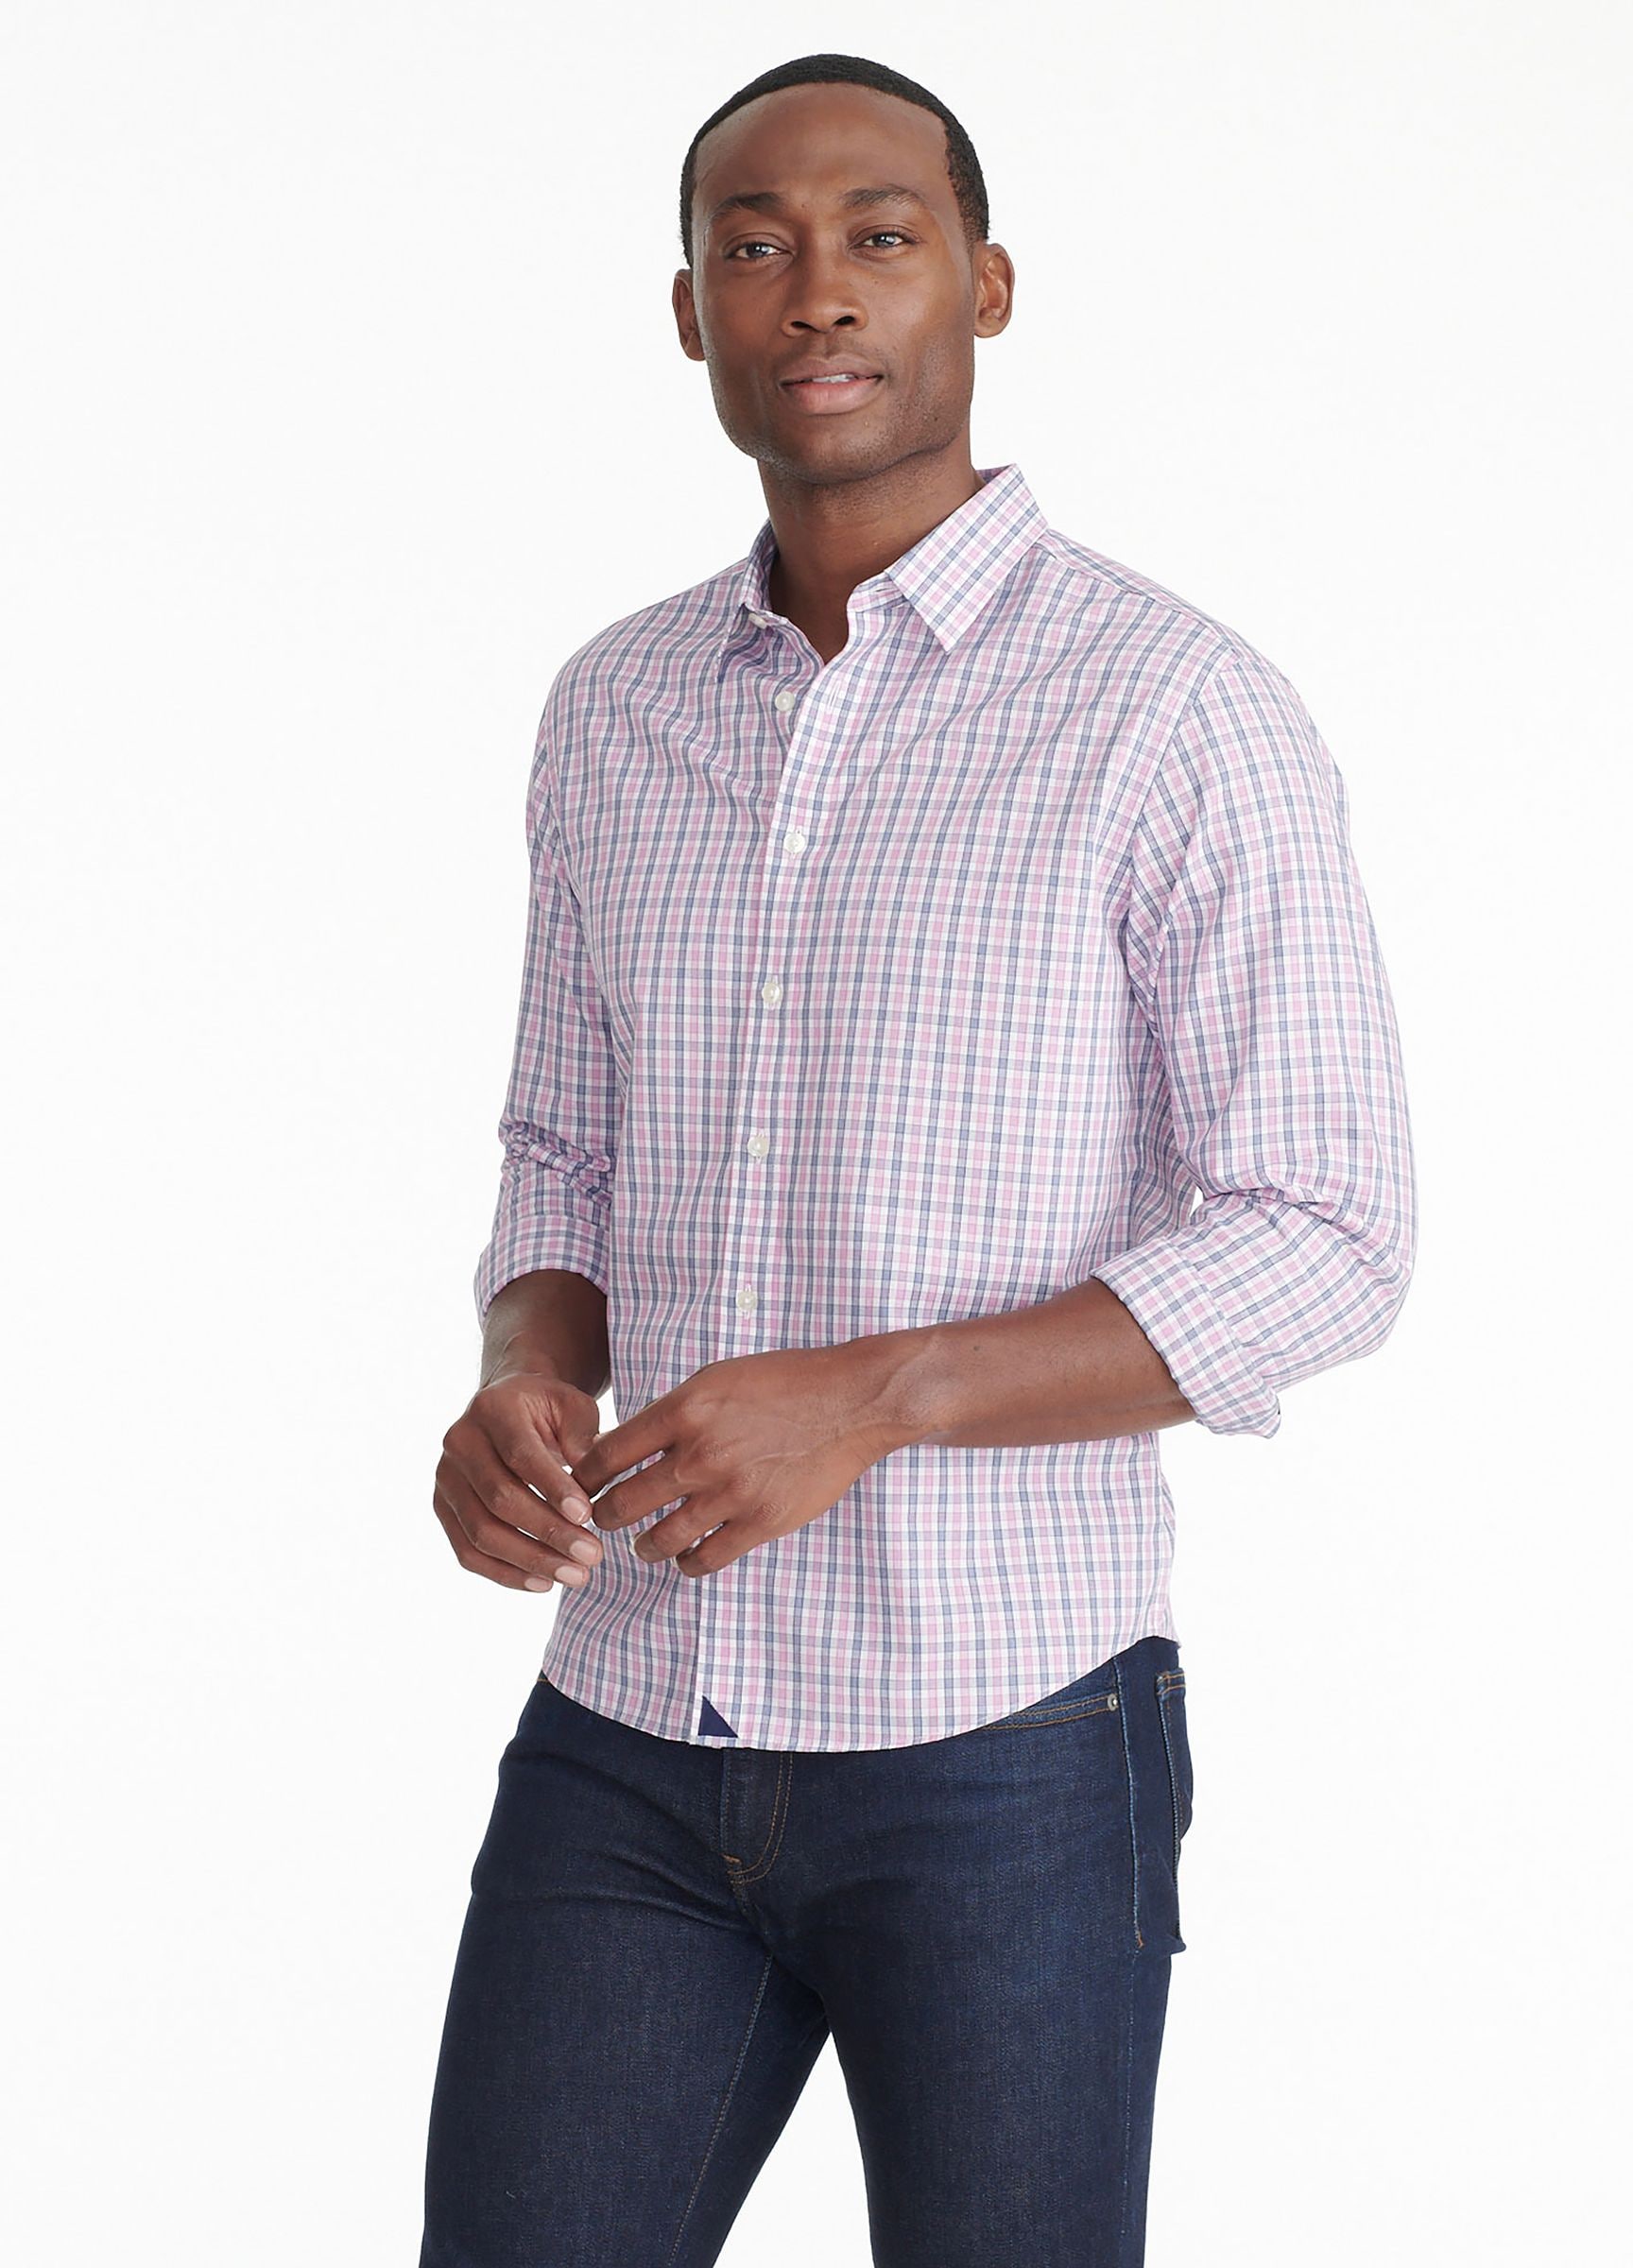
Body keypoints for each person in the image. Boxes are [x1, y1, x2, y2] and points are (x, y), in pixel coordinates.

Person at [419, 50, 1417, 2268]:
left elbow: (1331, 1230)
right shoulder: (613, 708)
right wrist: (521, 1374)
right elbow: (559, 1142)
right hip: (629, 1720)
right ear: (689, 312)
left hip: (1008, 1743)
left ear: (986, 282)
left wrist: (881, 1394)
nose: (817, 292)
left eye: (879, 236)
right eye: (753, 245)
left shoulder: (1176, 707)